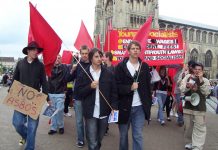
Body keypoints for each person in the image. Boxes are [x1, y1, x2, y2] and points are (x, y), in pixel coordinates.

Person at [77, 48, 118, 150]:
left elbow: (114, 92)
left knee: (98, 140)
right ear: (91, 59)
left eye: (100, 56)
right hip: (90, 113)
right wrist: (89, 87)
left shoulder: (108, 73)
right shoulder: (84, 73)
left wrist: (114, 107)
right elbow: (78, 92)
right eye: (96, 56)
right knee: (92, 141)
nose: (99, 58)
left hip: (104, 112)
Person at [11, 41, 49, 150]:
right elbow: (15, 79)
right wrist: (11, 91)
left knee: (32, 128)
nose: (35, 52)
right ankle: (26, 136)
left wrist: (47, 97)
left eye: (36, 50)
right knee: (17, 123)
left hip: (34, 101)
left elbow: (44, 82)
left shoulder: (40, 66)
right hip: (20, 98)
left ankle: (30, 146)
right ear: (28, 50)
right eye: (33, 49)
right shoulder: (20, 63)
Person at [115, 41, 152, 150]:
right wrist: (129, 88)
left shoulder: (144, 67)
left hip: (139, 107)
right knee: (123, 136)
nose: (135, 50)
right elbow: (116, 87)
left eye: (137, 48)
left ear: (140, 51)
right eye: (133, 48)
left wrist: (148, 104)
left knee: (138, 135)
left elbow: (147, 87)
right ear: (128, 51)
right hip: (124, 107)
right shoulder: (121, 67)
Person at [180, 62, 210, 150]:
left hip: (200, 108)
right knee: (188, 126)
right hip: (188, 106)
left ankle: (197, 146)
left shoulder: (205, 80)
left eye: (199, 70)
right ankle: (191, 142)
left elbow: (206, 93)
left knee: (199, 127)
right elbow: (181, 89)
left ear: (202, 71)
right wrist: (187, 86)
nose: (197, 71)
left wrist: (201, 81)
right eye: (195, 69)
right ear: (193, 70)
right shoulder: (188, 77)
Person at [68, 45, 90, 148]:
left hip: (90, 97)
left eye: (86, 53)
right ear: (80, 54)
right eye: (83, 53)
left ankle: (90, 138)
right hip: (78, 98)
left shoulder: (93, 64)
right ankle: (80, 140)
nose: (85, 55)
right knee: (79, 121)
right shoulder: (77, 66)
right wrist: (72, 70)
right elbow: (68, 79)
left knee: (89, 120)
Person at [47, 55, 70, 135]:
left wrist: (65, 91)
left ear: (61, 59)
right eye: (55, 57)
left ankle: (61, 126)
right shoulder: (49, 67)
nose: (57, 59)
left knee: (59, 110)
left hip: (60, 93)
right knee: (53, 110)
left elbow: (68, 78)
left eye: (59, 58)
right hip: (51, 92)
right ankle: (53, 128)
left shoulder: (64, 67)